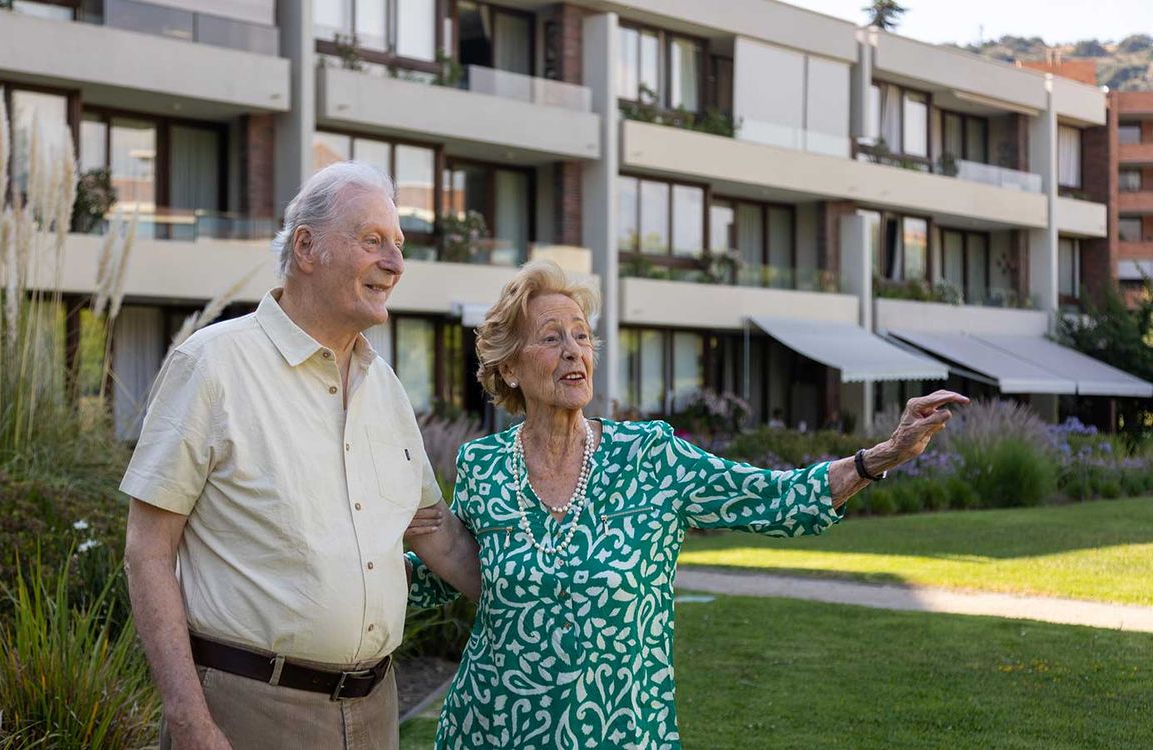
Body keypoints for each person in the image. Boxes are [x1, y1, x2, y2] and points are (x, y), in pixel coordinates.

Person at [404, 260, 967, 748]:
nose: (574, 351)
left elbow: (773, 500)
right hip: (493, 729)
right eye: (552, 338)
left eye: (581, 336)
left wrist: (884, 455)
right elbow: (443, 574)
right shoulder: (485, 465)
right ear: (508, 367)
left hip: (623, 731)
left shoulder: (651, 456)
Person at [121, 161, 479, 750]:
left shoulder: (384, 387)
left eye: (398, 245)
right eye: (372, 241)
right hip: (250, 711)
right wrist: (187, 714)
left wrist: (546, 587)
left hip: (375, 713)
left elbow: (434, 533)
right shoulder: (213, 366)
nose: (395, 263)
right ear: (307, 247)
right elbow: (147, 551)